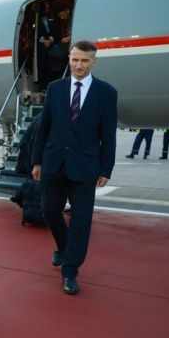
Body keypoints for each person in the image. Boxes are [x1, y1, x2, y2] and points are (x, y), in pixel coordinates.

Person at [32, 40, 118, 295]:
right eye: (74, 60)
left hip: (85, 167)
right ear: (69, 59)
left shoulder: (106, 92)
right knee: (49, 212)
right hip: (53, 163)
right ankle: (64, 247)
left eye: (84, 61)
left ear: (94, 61)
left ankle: (70, 271)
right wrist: (37, 160)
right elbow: (43, 127)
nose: (78, 65)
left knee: (82, 221)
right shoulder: (55, 88)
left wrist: (106, 168)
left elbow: (108, 134)